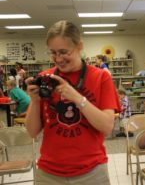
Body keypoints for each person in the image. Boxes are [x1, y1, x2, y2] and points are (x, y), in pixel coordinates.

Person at [25, 20, 120, 185]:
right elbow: (32, 132)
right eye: (53, 52)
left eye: (63, 52)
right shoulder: (46, 79)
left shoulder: (101, 77)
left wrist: (76, 97)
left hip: (92, 172)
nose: (58, 58)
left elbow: (107, 126)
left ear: (79, 46)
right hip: (49, 173)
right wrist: (34, 101)